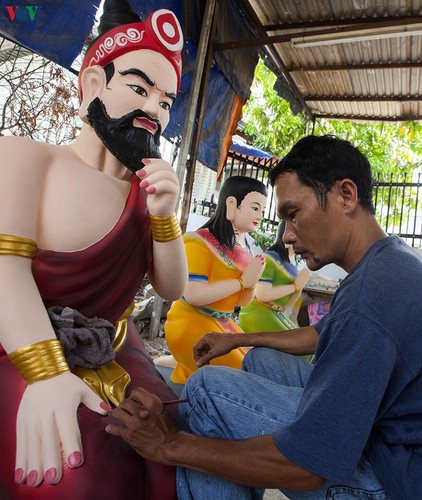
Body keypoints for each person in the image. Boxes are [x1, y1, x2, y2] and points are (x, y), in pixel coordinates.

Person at [106, 135, 422, 500]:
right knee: (258, 360)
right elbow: (322, 335)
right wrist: (238, 338)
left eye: (293, 214)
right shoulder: (390, 261)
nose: (286, 235)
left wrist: (169, 445)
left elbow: (310, 465)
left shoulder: (372, 297)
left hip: (396, 476)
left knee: (208, 390)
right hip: (390, 429)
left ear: (346, 196)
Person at [0, 0, 187, 498]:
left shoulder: (146, 194)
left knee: (172, 443)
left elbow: (172, 287)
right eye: (139, 88)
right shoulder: (24, 158)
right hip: (22, 341)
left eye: (167, 101)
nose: (154, 110)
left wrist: (165, 216)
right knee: (78, 472)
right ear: (92, 87)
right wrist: (45, 375)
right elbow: (6, 273)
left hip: (113, 345)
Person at [162, 176, 267, 384]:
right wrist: (241, 283)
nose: (260, 216)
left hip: (223, 323)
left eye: (263, 211)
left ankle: (185, 369)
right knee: (243, 374)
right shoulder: (198, 242)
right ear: (231, 204)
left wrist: (251, 283)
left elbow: (242, 302)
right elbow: (193, 295)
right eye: (255, 208)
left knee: (258, 364)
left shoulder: (243, 249)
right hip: (189, 321)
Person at [239, 220, 310, 333]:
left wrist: (298, 289)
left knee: (304, 341)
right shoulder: (269, 259)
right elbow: (262, 294)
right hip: (258, 313)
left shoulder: (294, 264)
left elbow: (288, 304)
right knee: (299, 344)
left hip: (276, 314)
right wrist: (294, 287)